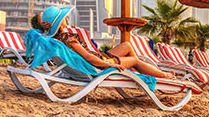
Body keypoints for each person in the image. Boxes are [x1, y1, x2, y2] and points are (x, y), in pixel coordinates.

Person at [35, 6, 174, 80]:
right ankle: (163, 75)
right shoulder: (68, 38)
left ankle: (137, 72)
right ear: (60, 22)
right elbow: (88, 58)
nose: (66, 19)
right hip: (99, 65)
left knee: (127, 45)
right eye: (64, 18)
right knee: (135, 60)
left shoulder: (58, 40)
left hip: (99, 58)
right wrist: (110, 65)